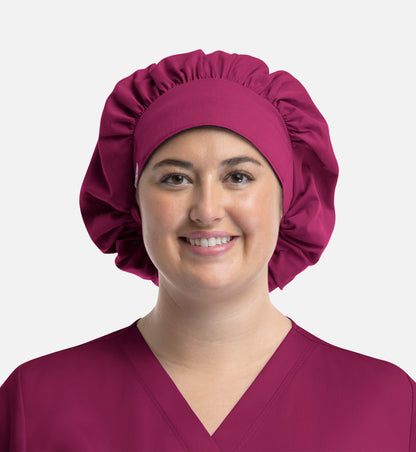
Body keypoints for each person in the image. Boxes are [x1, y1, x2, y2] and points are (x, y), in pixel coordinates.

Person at [0, 49, 414, 451]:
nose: (207, 210)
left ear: (288, 200)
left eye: (238, 176)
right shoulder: (35, 404)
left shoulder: (391, 405)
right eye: (175, 179)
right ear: (133, 203)